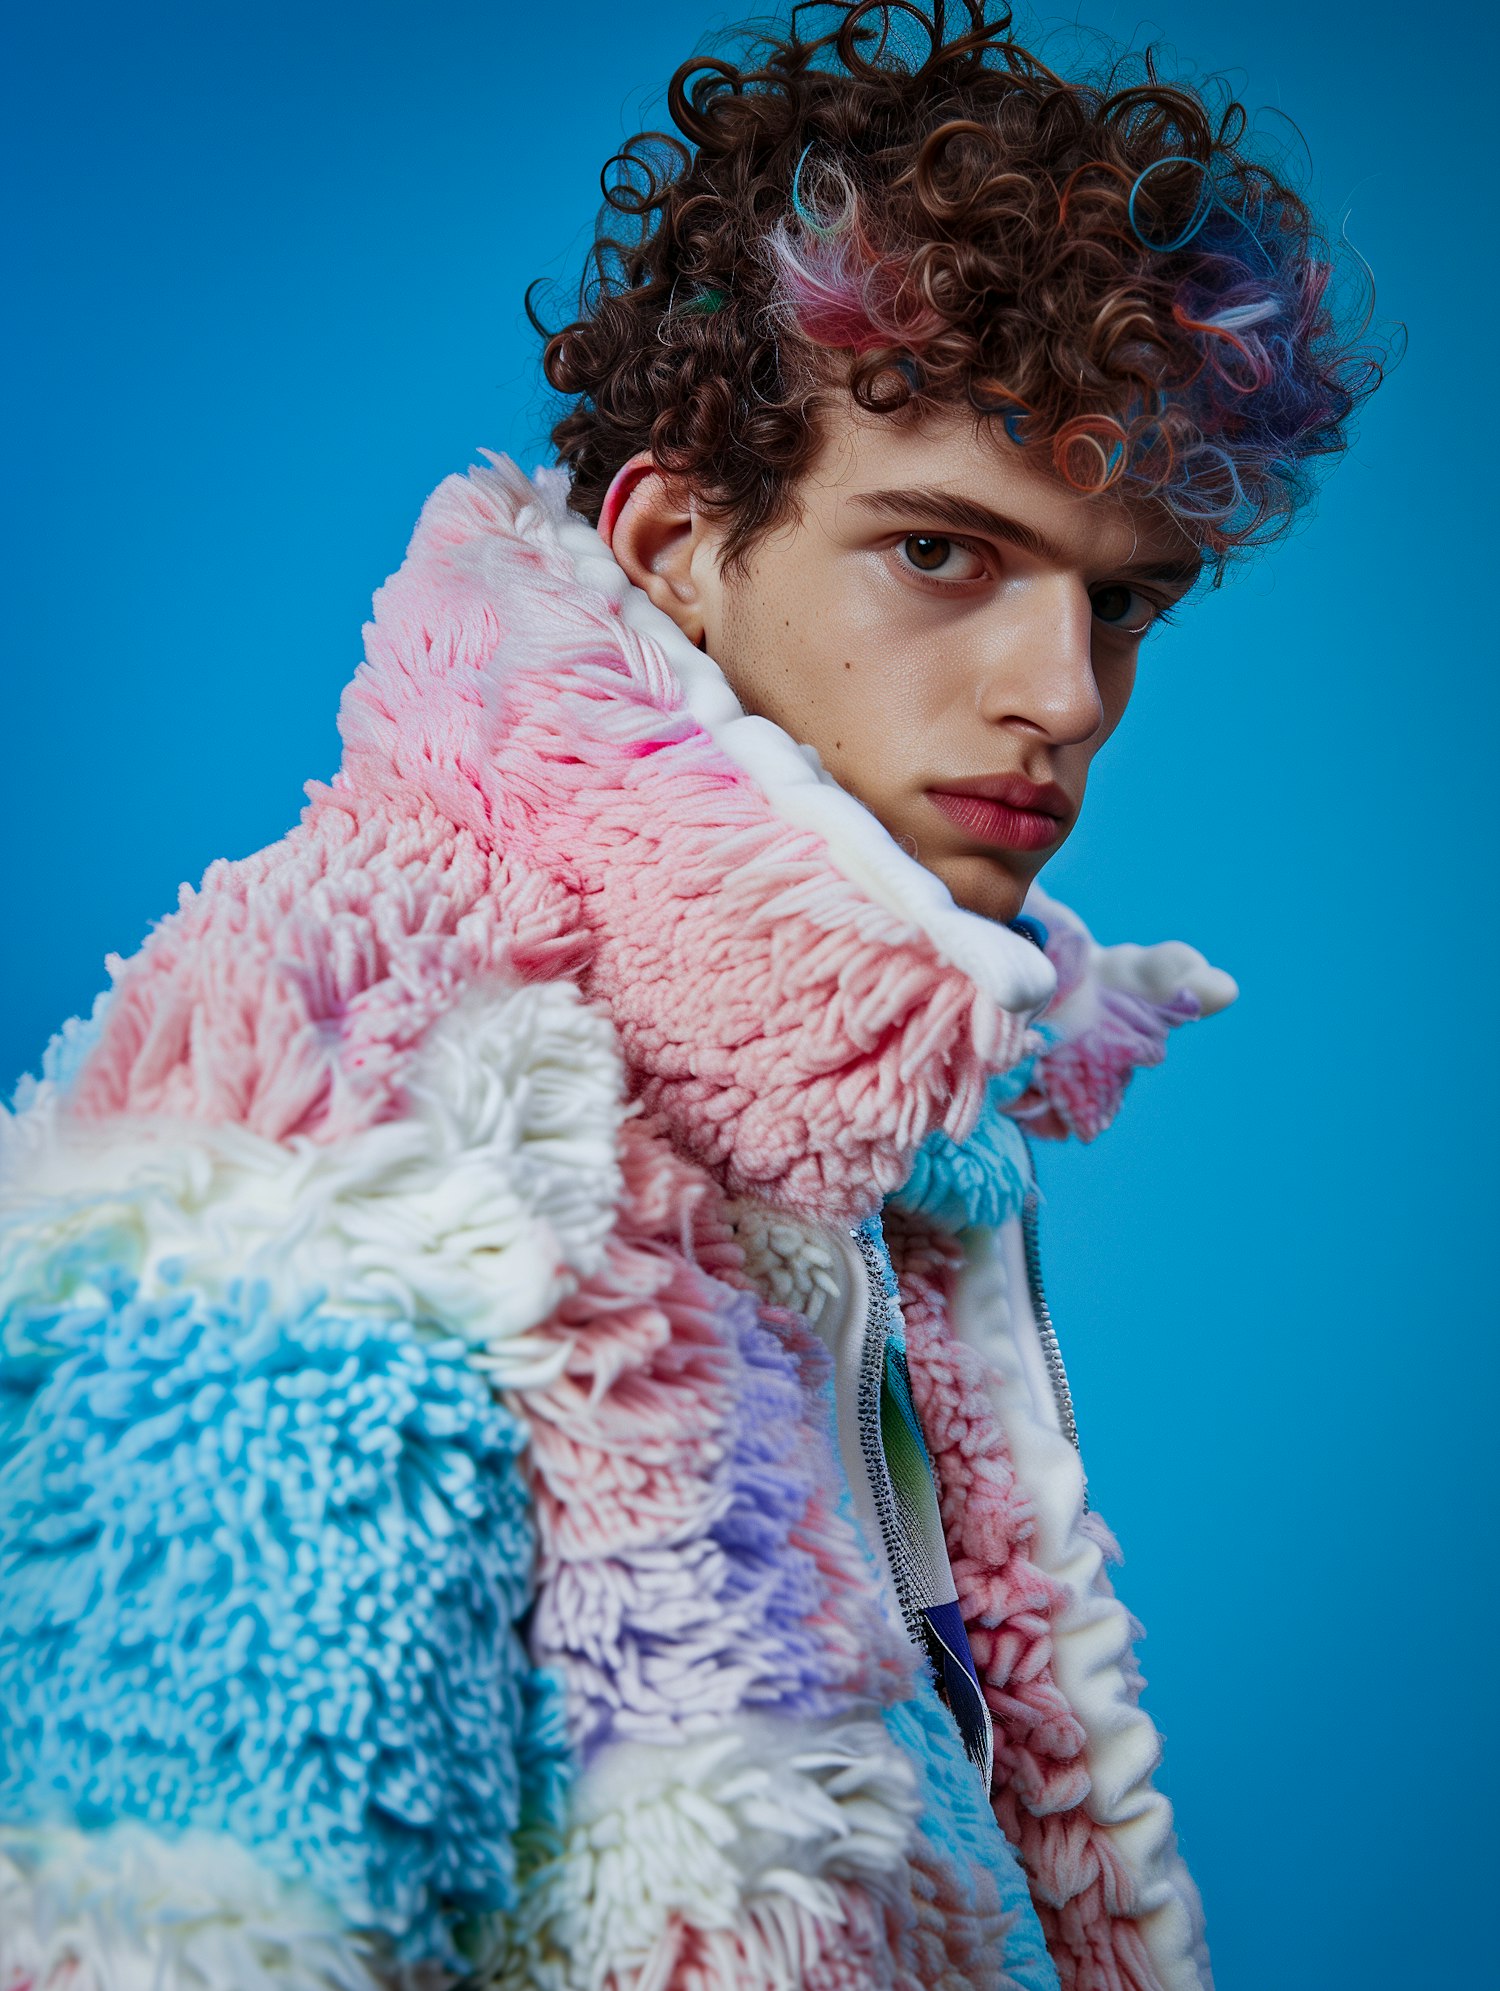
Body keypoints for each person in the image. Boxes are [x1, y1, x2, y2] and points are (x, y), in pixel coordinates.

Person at [0, 4, 1383, 1987]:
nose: (1064, 697)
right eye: (939, 551)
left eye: (1120, 599)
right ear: (671, 546)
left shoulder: (874, 1121)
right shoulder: (333, 1124)